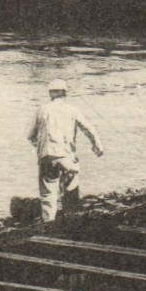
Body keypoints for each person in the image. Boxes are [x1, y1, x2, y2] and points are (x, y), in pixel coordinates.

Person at [27, 79, 104, 222]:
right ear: (65, 93)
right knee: (71, 189)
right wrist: (97, 145)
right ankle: (71, 221)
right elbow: (88, 129)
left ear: (50, 93)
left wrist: (41, 146)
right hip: (67, 156)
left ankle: (49, 223)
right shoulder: (72, 110)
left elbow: (30, 136)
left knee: (48, 193)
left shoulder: (41, 110)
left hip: (47, 156)